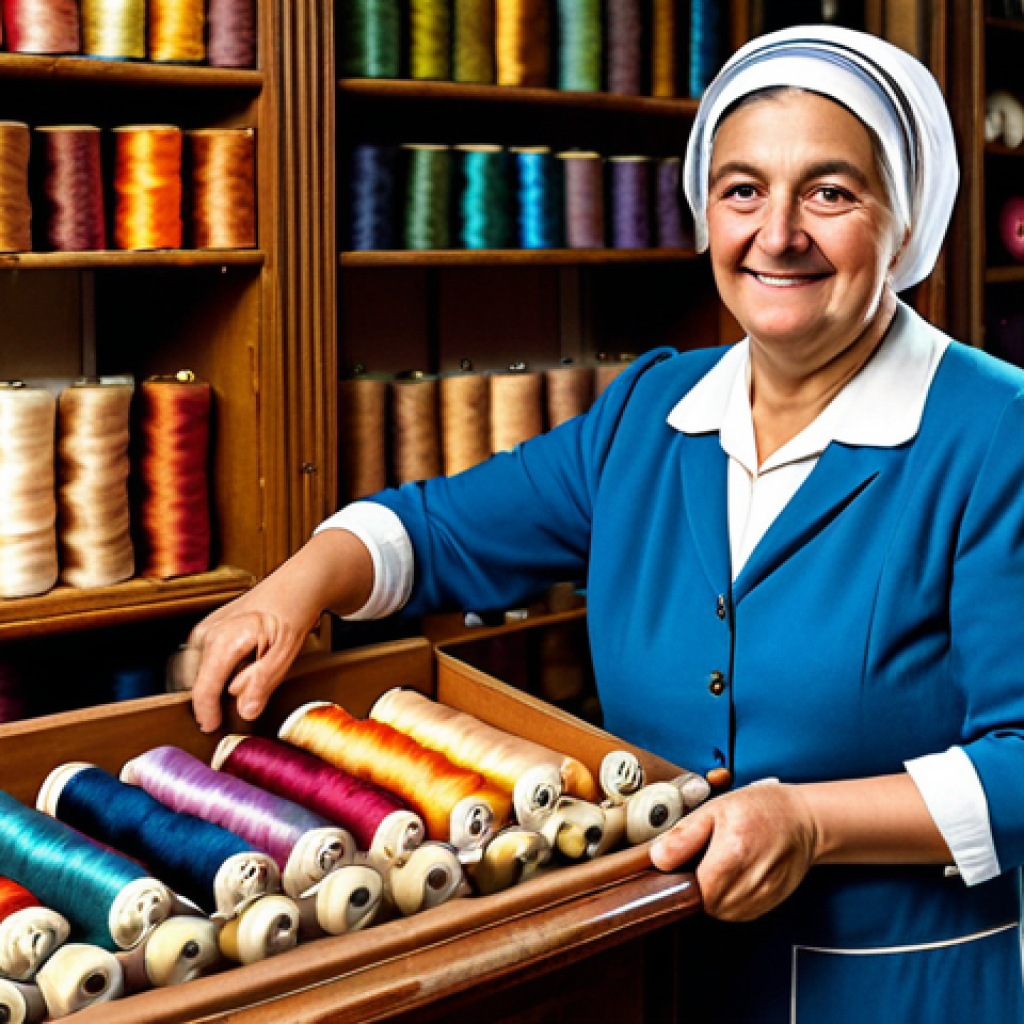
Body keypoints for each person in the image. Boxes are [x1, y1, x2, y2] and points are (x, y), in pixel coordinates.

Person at [187, 25, 1024, 1024]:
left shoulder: (993, 431)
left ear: (904, 221)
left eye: (830, 192)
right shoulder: (650, 412)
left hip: (894, 989)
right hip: (650, 968)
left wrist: (809, 819)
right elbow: (438, 531)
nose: (778, 232)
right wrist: (297, 587)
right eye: (742, 189)